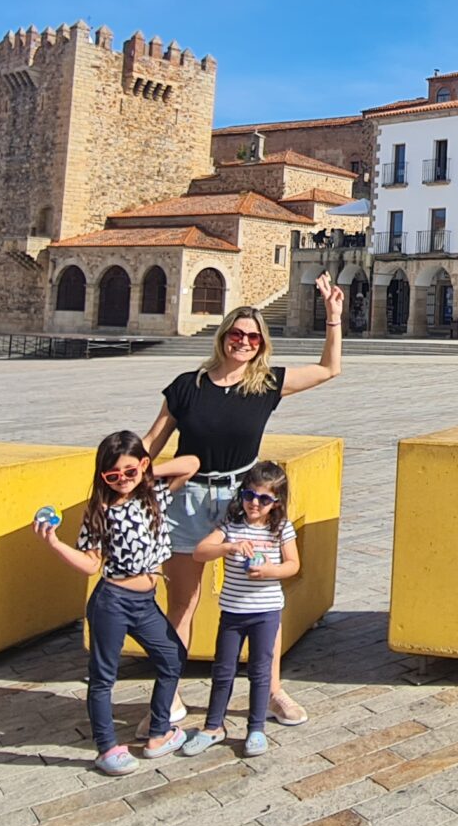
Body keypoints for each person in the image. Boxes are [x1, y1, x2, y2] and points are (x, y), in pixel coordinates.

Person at [140, 273, 345, 733]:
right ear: (223, 336)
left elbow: (329, 369)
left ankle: (271, 691)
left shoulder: (266, 383)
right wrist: (125, 478)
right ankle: (167, 697)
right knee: (182, 604)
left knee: (259, 601)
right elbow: (153, 441)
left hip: (246, 503)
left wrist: (333, 317)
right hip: (188, 502)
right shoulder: (187, 386)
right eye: (237, 334)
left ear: (261, 344)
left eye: (254, 337)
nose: (244, 342)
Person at [34, 430, 209, 776]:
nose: (123, 481)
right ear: (102, 477)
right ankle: (107, 748)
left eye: (129, 472)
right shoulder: (99, 510)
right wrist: (54, 543)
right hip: (112, 601)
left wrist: (147, 472)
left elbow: (192, 464)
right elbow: (90, 564)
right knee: (103, 677)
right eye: (113, 476)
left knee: (172, 656)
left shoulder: (155, 494)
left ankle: (158, 733)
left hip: (145, 602)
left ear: (142, 465)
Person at [178, 461, 301, 758]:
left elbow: (293, 565)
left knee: (260, 670)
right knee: (223, 669)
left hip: (266, 612)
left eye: (264, 499)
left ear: (276, 502)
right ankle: (213, 726)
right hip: (232, 612)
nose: (254, 504)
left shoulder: (281, 528)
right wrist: (228, 548)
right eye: (249, 495)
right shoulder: (230, 526)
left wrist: (270, 571)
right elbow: (200, 552)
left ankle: (256, 728)